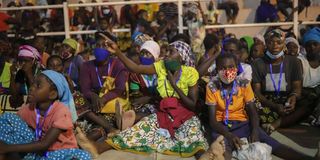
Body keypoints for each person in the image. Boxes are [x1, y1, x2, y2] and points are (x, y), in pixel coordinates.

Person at [77, 40, 208, 158]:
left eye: (171, 52)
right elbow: (136, 68)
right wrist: (117, 52)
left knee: (194, 135)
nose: (166, 54)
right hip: (164, 113)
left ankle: (203, 156)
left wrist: (174, 85)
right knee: (137, 130)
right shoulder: (161, 66)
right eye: (166, 50)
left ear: (182, 57)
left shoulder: (190, 73)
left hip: (185, 115)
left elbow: (192, 104)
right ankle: (97, 148)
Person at [206, 53, 320, 160]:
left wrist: (255, 130)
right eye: (222, 68)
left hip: (242, 123)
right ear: (217, 70)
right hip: (221, 127)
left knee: (273, 143)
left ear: (237, 68)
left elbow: (252, 110)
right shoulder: (212, 86)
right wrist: (229, 135)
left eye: (231, 67)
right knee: (224, 150)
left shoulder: (243, 83)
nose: (227, 72)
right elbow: (212, 121)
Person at [0, 70, 91, 160]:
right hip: (36, 149)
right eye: (33, 84)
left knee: (83, 156)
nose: (31, 88)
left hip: (59, 151)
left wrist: (8, 148)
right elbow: (16, 125)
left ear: (52, 94)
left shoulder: (61, 110)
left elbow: (45, 144)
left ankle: (9, 152)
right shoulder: (30, 108)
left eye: (38, 86)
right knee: (7, 118)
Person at [251, 29, 303, 132]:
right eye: (270, 42)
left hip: (287, 100)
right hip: (266, 102)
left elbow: (297, 88)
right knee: (252, 104)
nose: (275, 46)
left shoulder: (294, 62)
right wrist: (274, 106)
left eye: (279, 42)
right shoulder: (258, 63)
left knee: (306, 103)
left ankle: (277, 123)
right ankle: (280, 121)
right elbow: (256, 92)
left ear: (284, 45)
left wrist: (293, 97)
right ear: (266, 44)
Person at [80, 32, 129, 115]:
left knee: (116, 105)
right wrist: (94, 96)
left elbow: (120, 88)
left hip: (113, 99)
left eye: (104, 46)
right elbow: (85, 90)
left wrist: (103, 99)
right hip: (94, 101)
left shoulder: (118, 64)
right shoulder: (86, 66)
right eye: (98, 46)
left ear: (110, 49)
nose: (100, 48)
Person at [298, 27, 320, 126]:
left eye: (315, 44)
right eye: (308, 45)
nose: (312, 47)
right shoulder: (300, 61)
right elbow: (298, 87)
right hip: (303, 97)